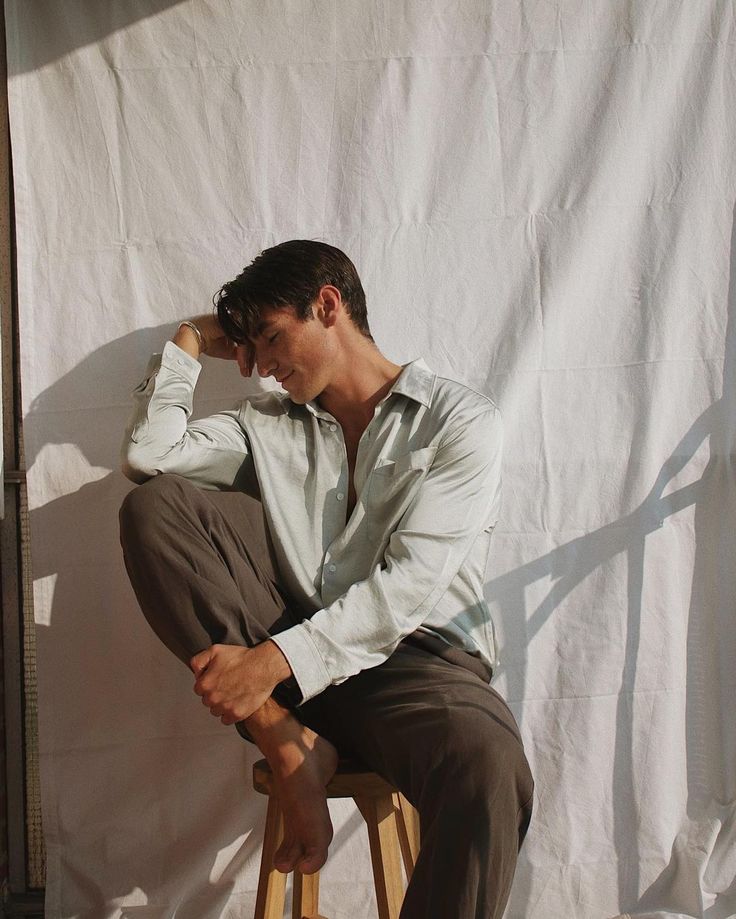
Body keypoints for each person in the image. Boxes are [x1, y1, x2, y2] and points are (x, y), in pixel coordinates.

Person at [118, 239, 533, 918]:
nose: (263, 365)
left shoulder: (458, 420)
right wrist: (190, 341)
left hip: (418, 668)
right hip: (292, 678)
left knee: (488, 764)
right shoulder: (268, 426)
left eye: (274, 337)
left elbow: (409, 585)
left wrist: (270, 659)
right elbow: (148, 455)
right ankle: (286, 741)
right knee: (155, 508)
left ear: (329, 305)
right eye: (251, 345)